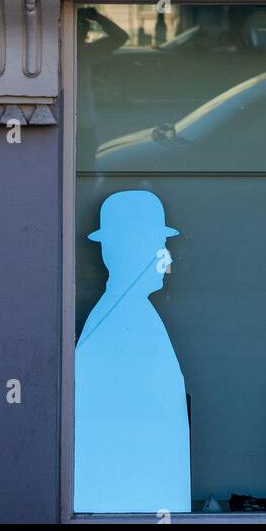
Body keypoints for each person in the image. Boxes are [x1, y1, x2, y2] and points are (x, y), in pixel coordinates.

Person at [74, 190, 191, 514]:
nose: (168, 257)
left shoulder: (126, 315)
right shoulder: (124, 320)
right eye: (159, 244)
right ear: (132, 247)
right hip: (131, 507)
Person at [76, 5, 128, 156]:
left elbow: (120, 37)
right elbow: (120, 37)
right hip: (76, 124)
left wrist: (97, 17)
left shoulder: (85, 52)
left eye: (84, 29)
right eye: (79, 27)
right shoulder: (83, 52)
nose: (83, 33)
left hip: (84, 125)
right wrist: (97, 17)